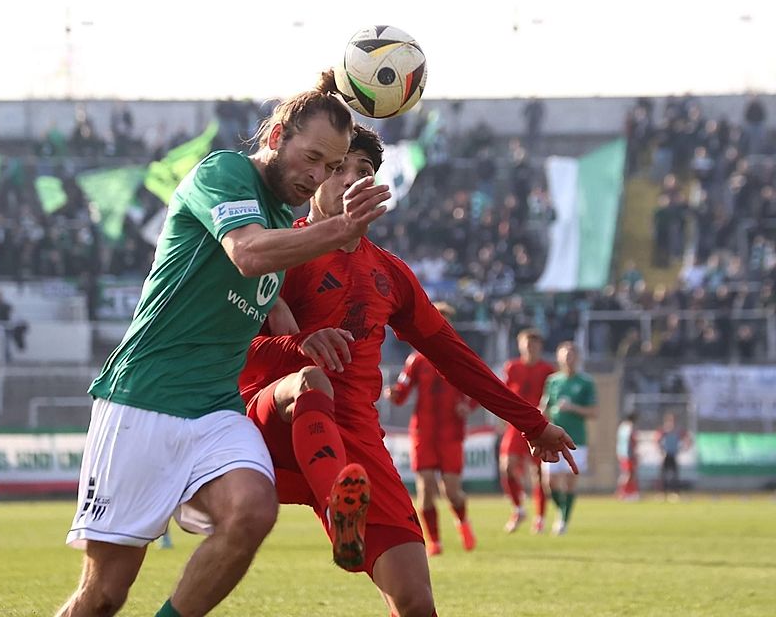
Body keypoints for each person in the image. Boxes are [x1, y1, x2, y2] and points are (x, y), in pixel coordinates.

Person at [56, 71, 391, 617]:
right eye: (311, 158)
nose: (317, 177)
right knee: (102, 598)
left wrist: (305, 339)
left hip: (215, 408)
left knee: (253, 512)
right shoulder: (225, 171)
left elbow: (267, 300)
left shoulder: (283, 213)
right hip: (144, 400)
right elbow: (249, 255)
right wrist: (339, 229)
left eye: (330, 168)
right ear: (278, 134)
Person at [239, 125, 577, 617]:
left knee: (416, 601)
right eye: (338, 169)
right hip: (275, 419)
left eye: (365, 172)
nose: (352, 180)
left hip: (355, 439)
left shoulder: (390, 274)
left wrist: (533, 422)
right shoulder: (278, 251)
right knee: (312, 381)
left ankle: (345, 507)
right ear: (315, 178)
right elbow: (234, 348)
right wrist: (298, 344)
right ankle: (338, 505)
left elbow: (454, 356)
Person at [385, 302, 478, 555]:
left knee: (451, 490)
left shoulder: (460, 355)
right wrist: (394, 394)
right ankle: (434, 541)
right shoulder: (416, 360)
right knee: (425, 489)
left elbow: (478, 388)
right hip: (423, 431)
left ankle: (462, 522)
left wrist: (467, 407)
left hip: (450, 432)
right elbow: (402, 394)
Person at [499, 328, 556, 533]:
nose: (530, 348)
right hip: (515, 426)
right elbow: (502, 392)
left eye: (533, 344)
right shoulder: (512, 367)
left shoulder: (548, 370)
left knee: (539, 473)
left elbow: (552, 397)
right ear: (520, 346)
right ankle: (518, 509)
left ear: (540, 346)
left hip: (538, 426)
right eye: (526, 344)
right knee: (507, 467)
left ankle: (540, 518)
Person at [542, 342, 597, 536]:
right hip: (553, 439)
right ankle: (561, 510)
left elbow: (593, 412)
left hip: (576, 439)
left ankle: (563, 520)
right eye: (565, 355)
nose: (568, 359)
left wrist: (572, 408)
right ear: (559, 358)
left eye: (572, 355)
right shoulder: (553, 381)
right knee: (549, 482)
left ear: (578, 358)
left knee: (569, 480)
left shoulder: (585, 382)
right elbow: (545, 406)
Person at [656, 412, 690, 500]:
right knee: (663, 475)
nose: (671, 422)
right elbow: (657, 440)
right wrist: (661, 450)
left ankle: (675, 493)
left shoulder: (677, 431)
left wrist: (684, 447)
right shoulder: (664, 430)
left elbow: (686, 438)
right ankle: (662, 494)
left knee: (674, 475)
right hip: (665, 455)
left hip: (673, 454)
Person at [616, 411, 639, 501]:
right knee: (628, 474)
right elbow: (631, 440)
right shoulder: (630, 427)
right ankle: (621, 492)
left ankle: (630, 492)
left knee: (628, 474)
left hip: (622, 453)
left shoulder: (622, 427)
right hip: (628, 454)